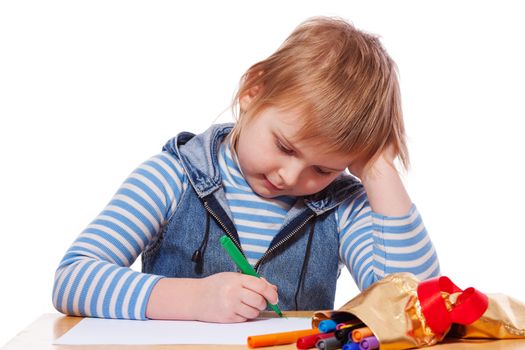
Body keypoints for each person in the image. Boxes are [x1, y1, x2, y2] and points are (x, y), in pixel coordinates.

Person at [52, 16, 440, 323]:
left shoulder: (342, 206)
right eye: (284, 146)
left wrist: (378, 166)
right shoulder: (173, 176)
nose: (291, 176)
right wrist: (193, 300)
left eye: (322, 168)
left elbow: (415, 305)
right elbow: (73, 279)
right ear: (253, 92)